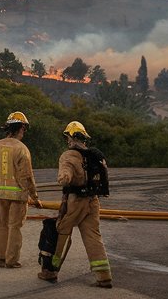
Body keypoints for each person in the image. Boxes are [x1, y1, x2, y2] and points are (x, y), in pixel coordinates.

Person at [38, 121, 113, 288]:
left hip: (75, 202)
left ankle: (50, 271)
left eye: (68, 137)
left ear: (71, 138)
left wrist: (63, 178)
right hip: (93, 202)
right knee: (93, 236)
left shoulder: (68, 156)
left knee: (61, 233)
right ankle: (104, 276)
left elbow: (65, 176)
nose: (67, 141)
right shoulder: (94, 155)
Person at [0, 111, 42, 268]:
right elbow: (27, 177)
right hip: (17, 195)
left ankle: (1, 258)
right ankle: (12, 261)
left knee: (1, 225)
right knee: (14, 227)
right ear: (22, 128)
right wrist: (35, 197)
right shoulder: (22, 149)